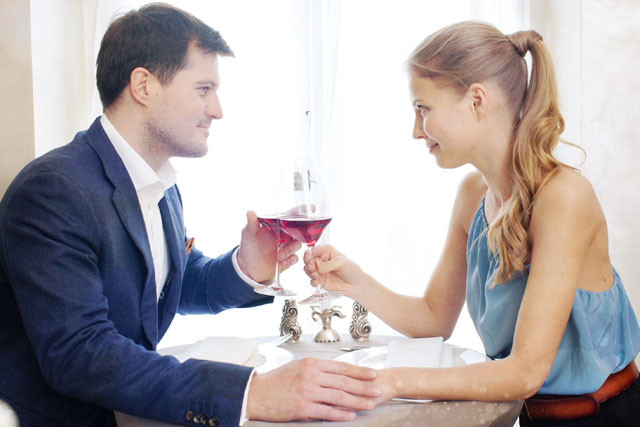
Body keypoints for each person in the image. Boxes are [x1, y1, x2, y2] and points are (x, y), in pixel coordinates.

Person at [0, 3, 381, 426]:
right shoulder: (54, 191)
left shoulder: (160, 185)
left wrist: (246, 267)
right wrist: (250, 392)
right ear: (143, 85)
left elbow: (171, 285)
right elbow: (80, 354)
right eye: (204, 88)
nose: (217, 109)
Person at [304, 21, 640, 426]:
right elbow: (434, 318)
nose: (416, 131)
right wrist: (354, 282)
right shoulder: (472, 195)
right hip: (529, 416)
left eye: (423, 109)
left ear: (477, 100)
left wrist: (392, 381)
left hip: (606, 417)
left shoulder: (563, 198)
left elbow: (525, 372)